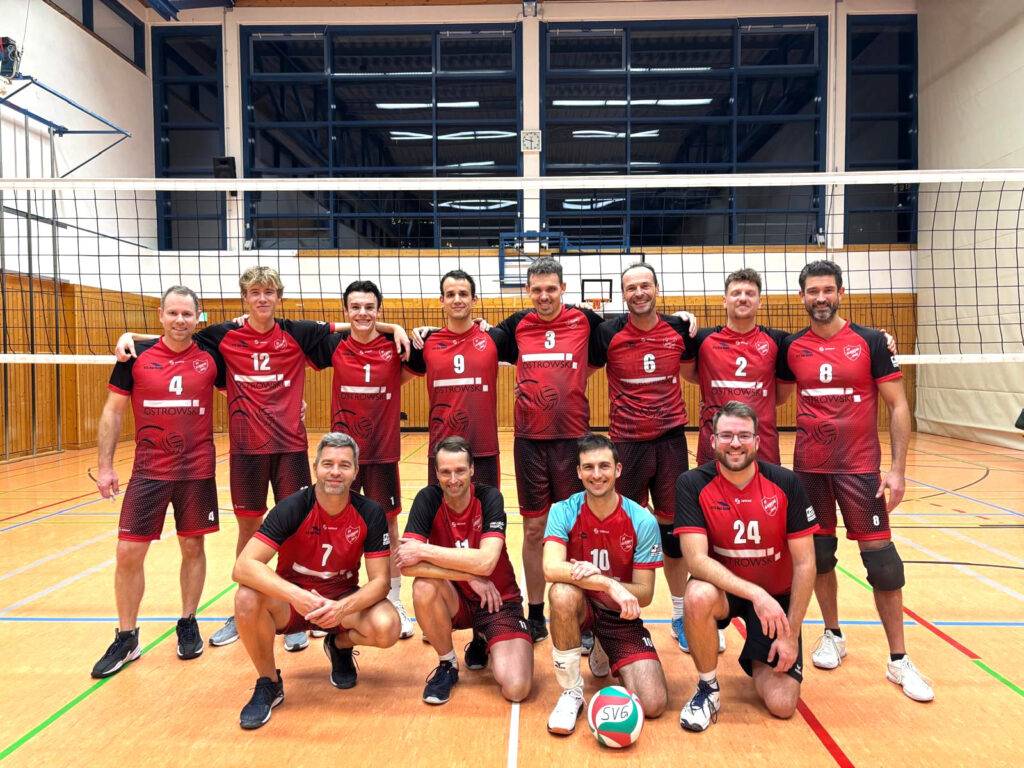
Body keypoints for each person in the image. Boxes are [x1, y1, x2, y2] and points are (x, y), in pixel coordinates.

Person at [115, 267, 334, 652]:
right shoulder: (222, 336)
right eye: (255, 292)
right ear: (244, 298)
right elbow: (174, 338)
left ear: (279, 296)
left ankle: (295, 613)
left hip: (290, 450)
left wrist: (395, 329)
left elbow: (352, 326)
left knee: (295, 531)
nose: (262, 298)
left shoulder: (297, 333)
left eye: (269, 292)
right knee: (250, 530)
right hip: (246, 451)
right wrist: (129, 336)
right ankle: (244, 607)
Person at [777, 260, 933, 702]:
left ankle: (899, 658)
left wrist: (898, 470)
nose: (820, 298)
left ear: (841, 293)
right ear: (801, 296)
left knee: (883, 564)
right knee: (820, 556)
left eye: (827, 290)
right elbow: (775, 391)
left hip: (860, 469)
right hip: (810, 469)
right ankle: (833, 634)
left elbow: (898, 405)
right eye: (812, 291)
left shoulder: (870, 342)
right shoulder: (791, 346)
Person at [91, 286, 226, 678]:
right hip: (148, 470)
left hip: (196, 469)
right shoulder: (134, 355)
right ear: (160, 315)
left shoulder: (211, 354)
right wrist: (104, 466)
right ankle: (127, 637)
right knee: (127, 552)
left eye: (187, 314)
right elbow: (113, 412)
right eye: (173, 313)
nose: (180, 320)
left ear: (198, 317)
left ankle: (188, 621)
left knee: (192, 546)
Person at [591, 262, 723, 655]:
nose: (639, 293)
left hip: (669, 441)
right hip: (626, 443)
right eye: (631, 287)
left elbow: (702, 364)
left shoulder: (679, 329)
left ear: (657, 288)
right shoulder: (607, 332)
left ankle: (681, 615)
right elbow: (580, 368)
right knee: (623, 529)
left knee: (672, 533)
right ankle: (616, 615)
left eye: (645, 285)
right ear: (622, 293)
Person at [231, 432, 400, 730]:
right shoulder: (293, 507)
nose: (335, 472)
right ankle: (268, 682)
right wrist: (297, 596)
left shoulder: (369, 512)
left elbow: (380, 583)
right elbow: (243, 566)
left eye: (344, 465)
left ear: (355, 471)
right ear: (315, 468)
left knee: (388, 627)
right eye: (328, 464)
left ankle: (339, 645)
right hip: (293, 604)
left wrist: (342, 608)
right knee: (246, 597)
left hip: (340, 602)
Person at [674, 401, 818, 731]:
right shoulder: (692, 483)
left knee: (782, 704)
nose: (735, 443)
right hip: (726, 593)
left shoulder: (786, 483)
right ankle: (708, 689)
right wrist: (755, 594)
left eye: (743, 435)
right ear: (713, 440)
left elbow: (805, 563)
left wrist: (791, 634)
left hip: (776, 599)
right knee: (697, 594)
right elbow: (696, 560)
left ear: (757, 440)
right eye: (726, 435)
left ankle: (757, 653)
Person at [486, 257, 607, 643]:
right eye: (536, 289)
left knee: (576, 529)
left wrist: (681, 320)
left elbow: (628, 330)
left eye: (551, 289)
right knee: (535, 528)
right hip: (530, 441)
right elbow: (475, 337)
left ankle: (580, 612)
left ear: (563, 289)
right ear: (527, 290)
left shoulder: (586, 321)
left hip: (573, 441)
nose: (544, 296)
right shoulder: (516, 325)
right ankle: (535, 612)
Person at [307, 280, 417, 639]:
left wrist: (394, 328)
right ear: (345, 311)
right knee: (335, 525)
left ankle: (395, 600)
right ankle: (333, 601)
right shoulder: (334, 345)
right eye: (355, 307)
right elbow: (293, 342)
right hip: (342, 456)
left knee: (389, 527)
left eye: (370, 307)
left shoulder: (395, 347)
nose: (363, 313)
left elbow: (418, 358)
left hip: (382, 452)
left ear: (378, 309)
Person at [542, 433, 668, 736]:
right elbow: (550, 568)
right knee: (561, 592)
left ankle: (604, 646)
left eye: (604, 466)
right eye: (588, 467)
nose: (596, 475)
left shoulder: (642, 520)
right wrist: (607, 583)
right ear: (578, 472)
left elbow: (645, 594)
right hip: (581, 605)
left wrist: (607, 585)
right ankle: (572, 691)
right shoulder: (563, 510)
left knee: (653, 704)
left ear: (618, 469)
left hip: (617, 614)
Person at [395, 437, 533, 706]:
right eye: (445, 472)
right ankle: (447, 664)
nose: (453, 479)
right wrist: (468, 576)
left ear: (472, 469)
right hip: (456, 598)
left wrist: (424, 550)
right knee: (423, 586)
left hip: (497, 600)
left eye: (460, 470)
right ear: (436, 473)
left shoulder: (489, 498)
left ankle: (483, 636)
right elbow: (407, 564)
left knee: (516, 688)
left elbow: (487, 562)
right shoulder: (427, 499)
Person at [405, 270, 501, 488]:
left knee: (487, 507)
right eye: (450, 294)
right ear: (442, 300)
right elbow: (394, 379)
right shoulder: (425, 343)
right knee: (441, 508)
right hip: (442, 449)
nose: (457, 300)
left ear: (474, 300)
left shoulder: (493, 338)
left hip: (483, 447)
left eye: (463, 294)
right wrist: (393, 328)